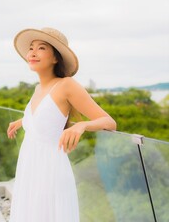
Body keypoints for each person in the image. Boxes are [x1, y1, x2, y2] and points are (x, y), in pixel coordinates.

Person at [7, 27, 117, 222]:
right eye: (31, 48)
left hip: (50, 170)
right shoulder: (38, 88)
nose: (32, 52)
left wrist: (81, 126)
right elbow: (47, 119)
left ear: (56, 58)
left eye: (41, 48)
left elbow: (109, 122)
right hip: (29, 167)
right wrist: (23, 121)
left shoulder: (66, 85)